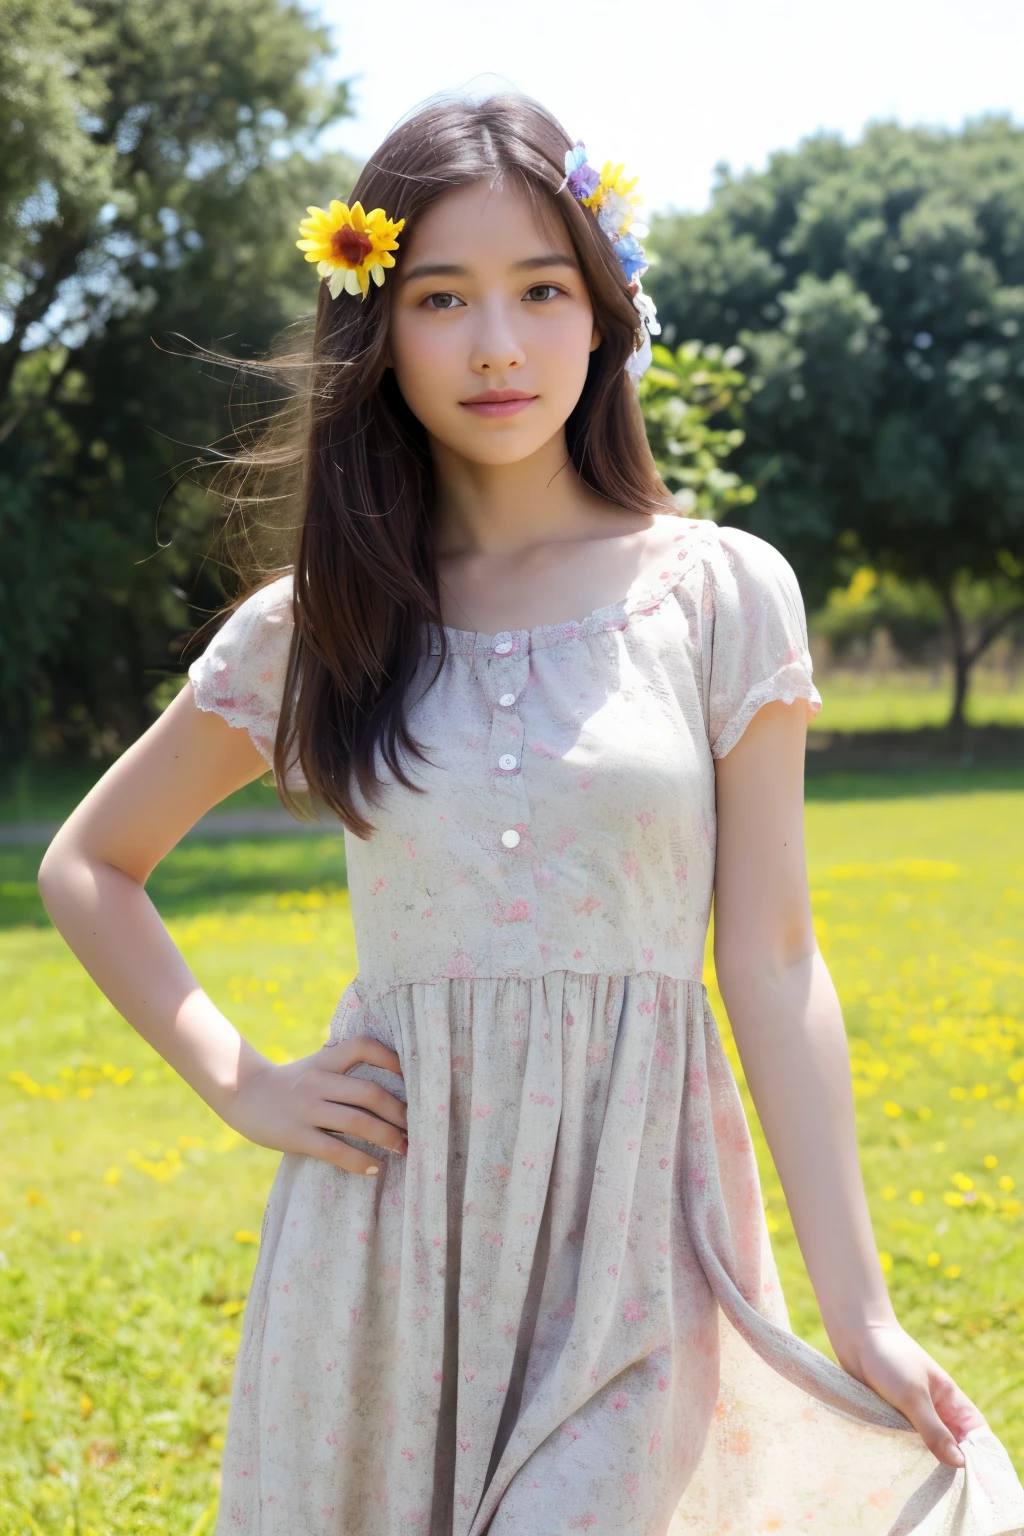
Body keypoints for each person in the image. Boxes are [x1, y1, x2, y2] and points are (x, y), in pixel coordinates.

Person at [37, 87, 1024, 1536]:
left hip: (643, 1234)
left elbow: (774, 960)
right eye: (442, 296)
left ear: (605, 313)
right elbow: (91, 864)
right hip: (387, 1242)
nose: (497, 342)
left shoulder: (717, 590)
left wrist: (860, 1309)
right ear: (379, 324)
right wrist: (244, 1084)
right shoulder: (317, 624)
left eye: (541, 288)